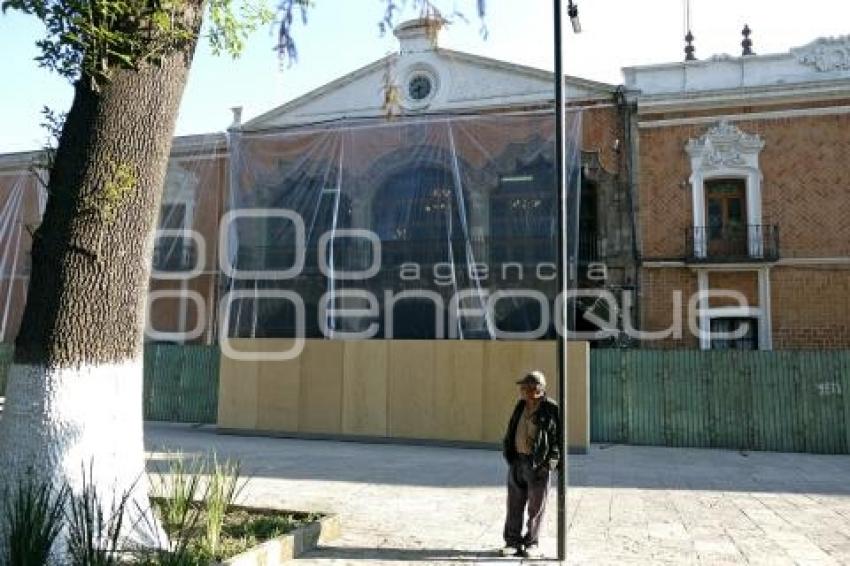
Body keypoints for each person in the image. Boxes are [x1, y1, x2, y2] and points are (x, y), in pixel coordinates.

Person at [500, 370, 562, 558]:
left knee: (536, 508)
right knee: (514, 505)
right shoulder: (520, 405)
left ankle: (532, 543)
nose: (523, 391)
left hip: (538, 465)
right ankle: (512, 542)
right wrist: (509, 454)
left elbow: (558, 439)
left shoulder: (551, 408)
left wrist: (549, 463)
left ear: (539, 389)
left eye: (527, 387)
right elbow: (512, 428)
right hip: (518, 461)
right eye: (523, 387)